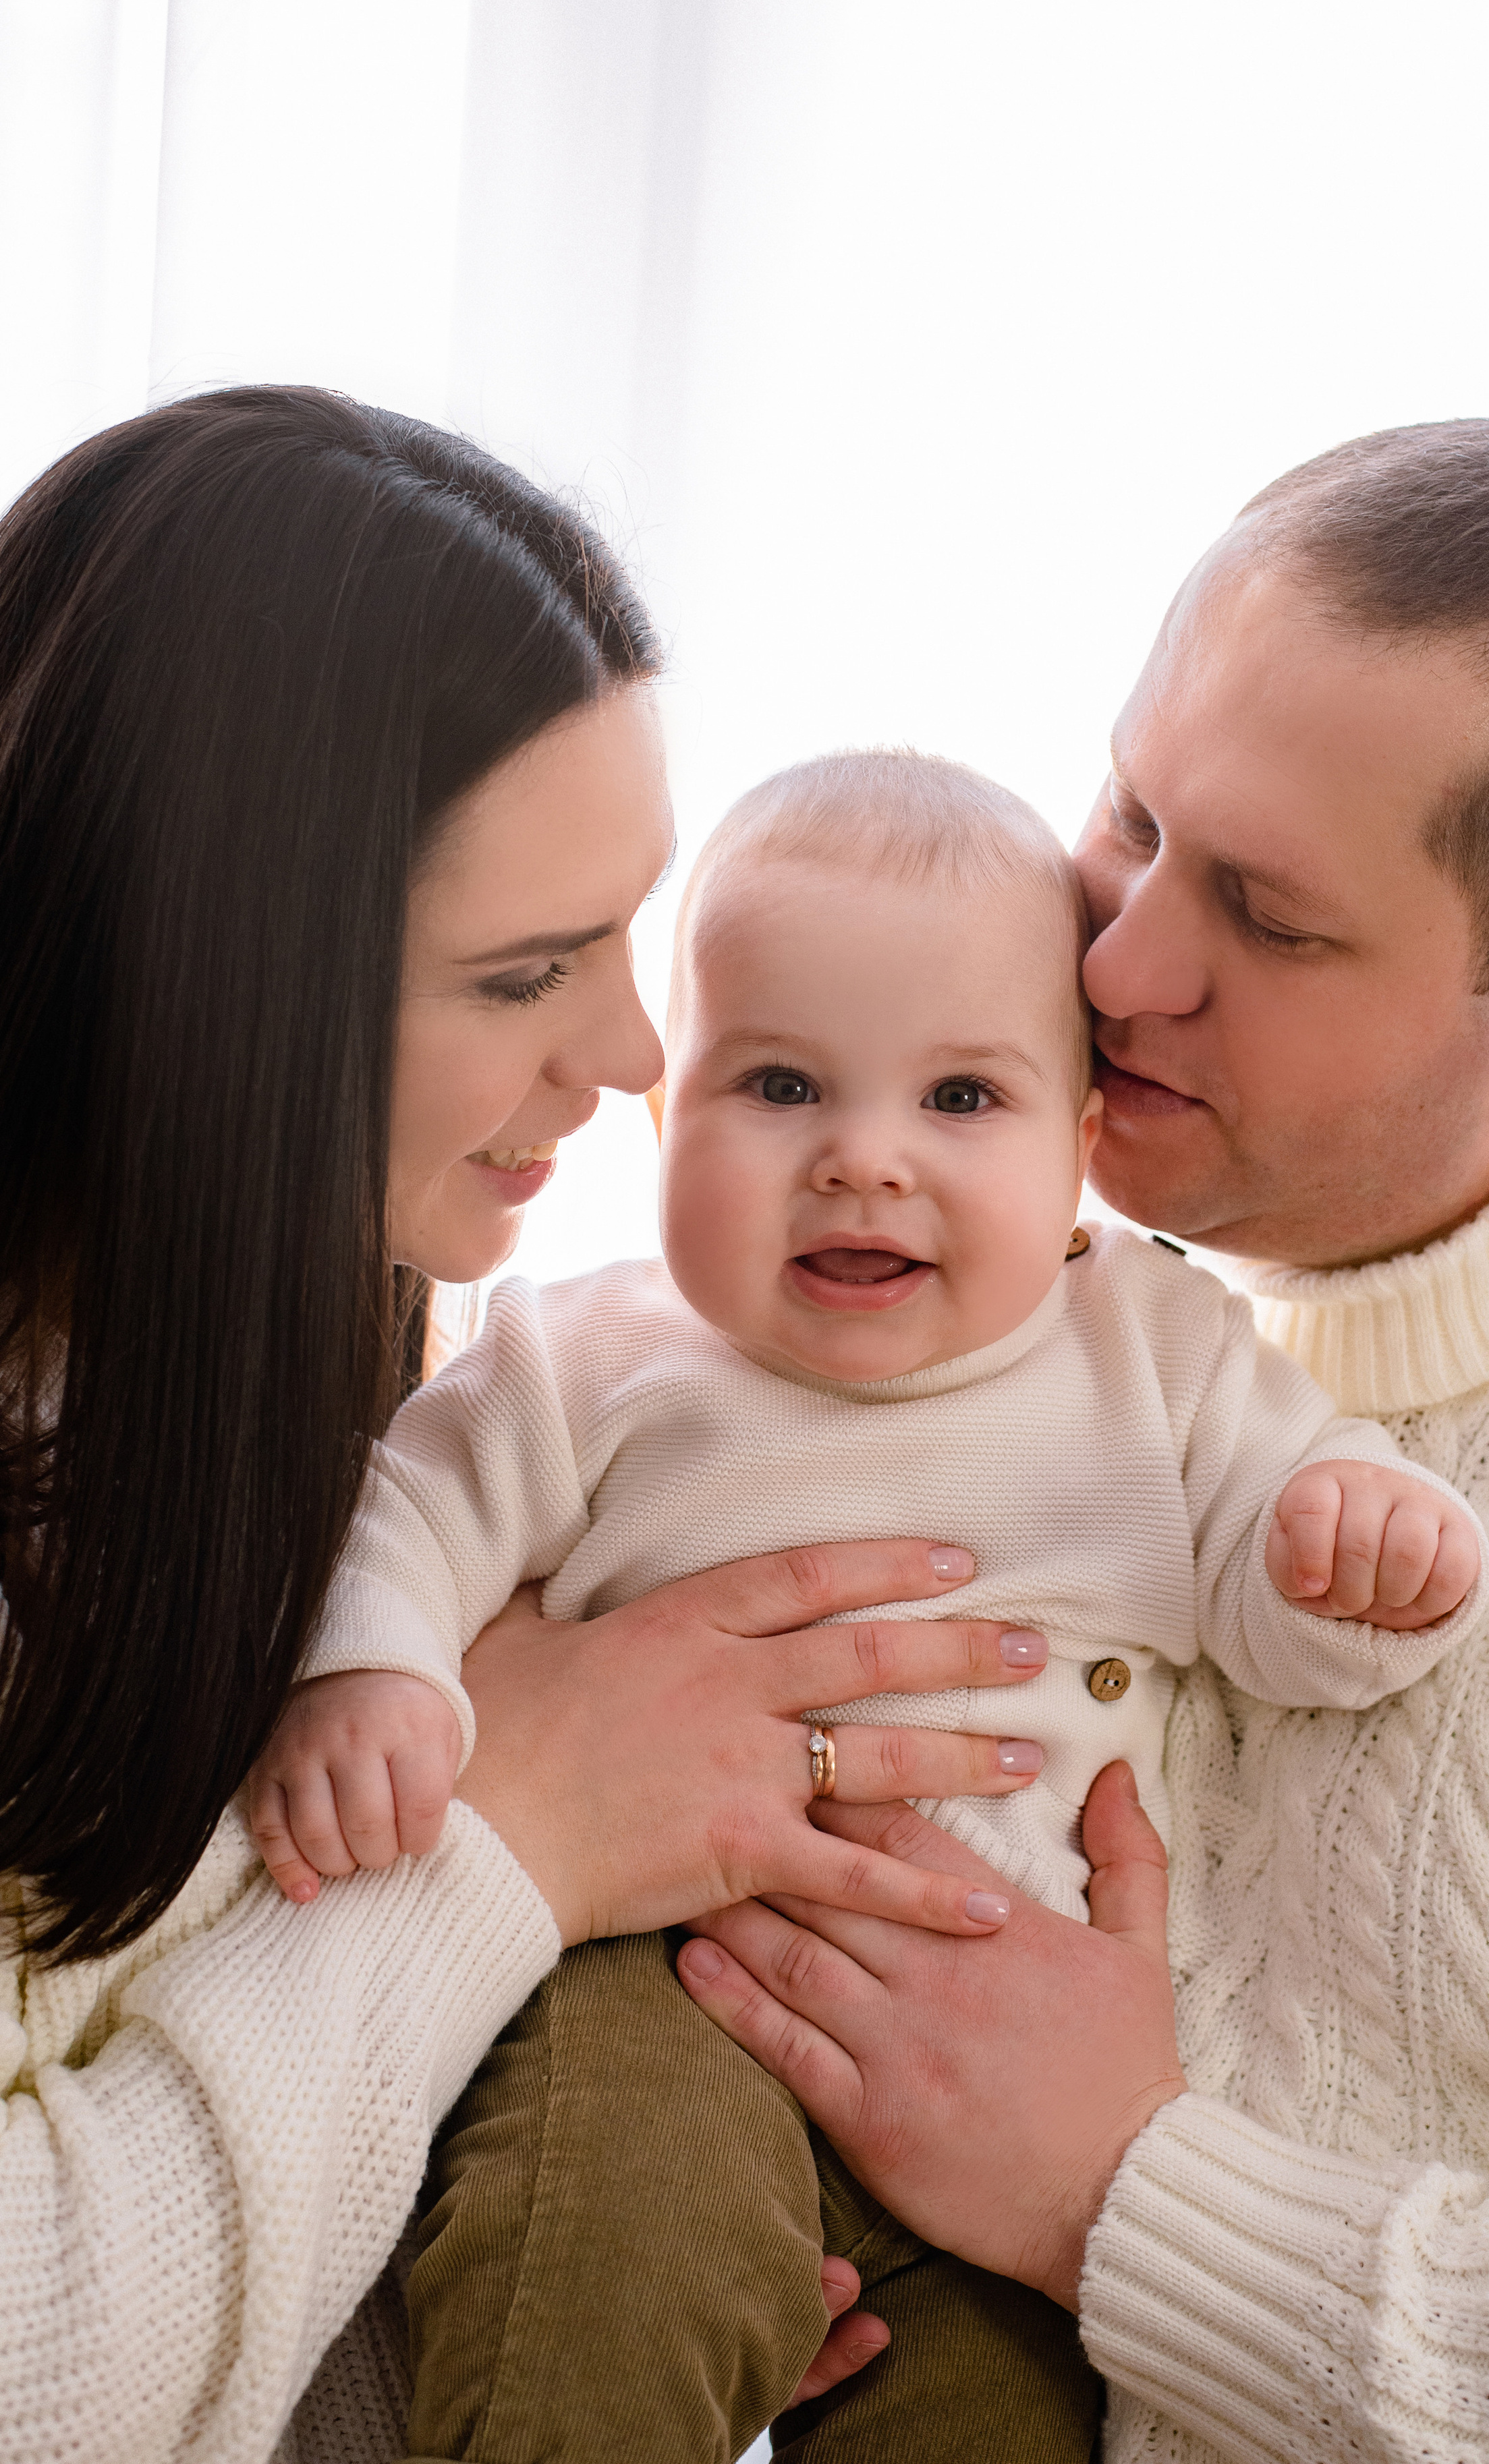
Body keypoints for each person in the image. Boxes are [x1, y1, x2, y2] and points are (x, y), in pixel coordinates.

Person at [0, 386, 1052, 2464]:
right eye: (523, 975)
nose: (641, 1051)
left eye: (631, 935)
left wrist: (624, 2265)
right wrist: (519, 1841)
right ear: (224, 989)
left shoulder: (354, 1355)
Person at [675, 420, 1489, 2459]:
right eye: (1133, 814)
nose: (1121, 959)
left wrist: (1123, 2200)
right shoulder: (1015, 1262)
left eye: (1268, 917)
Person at [250, 749, 1488, 2462]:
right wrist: (379, 1672)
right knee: (598, 2293)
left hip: (1005, 2088)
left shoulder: (1156, 1354)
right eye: (777, 1085)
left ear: (1080, 1146)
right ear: (668, 1116)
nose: (864, 1163)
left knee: (998, 2424)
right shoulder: (591, 1355)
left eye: (961, 1102)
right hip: (660, 1991)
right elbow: (410, 1512)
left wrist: (1354, 1557)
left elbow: (1283, 1608)